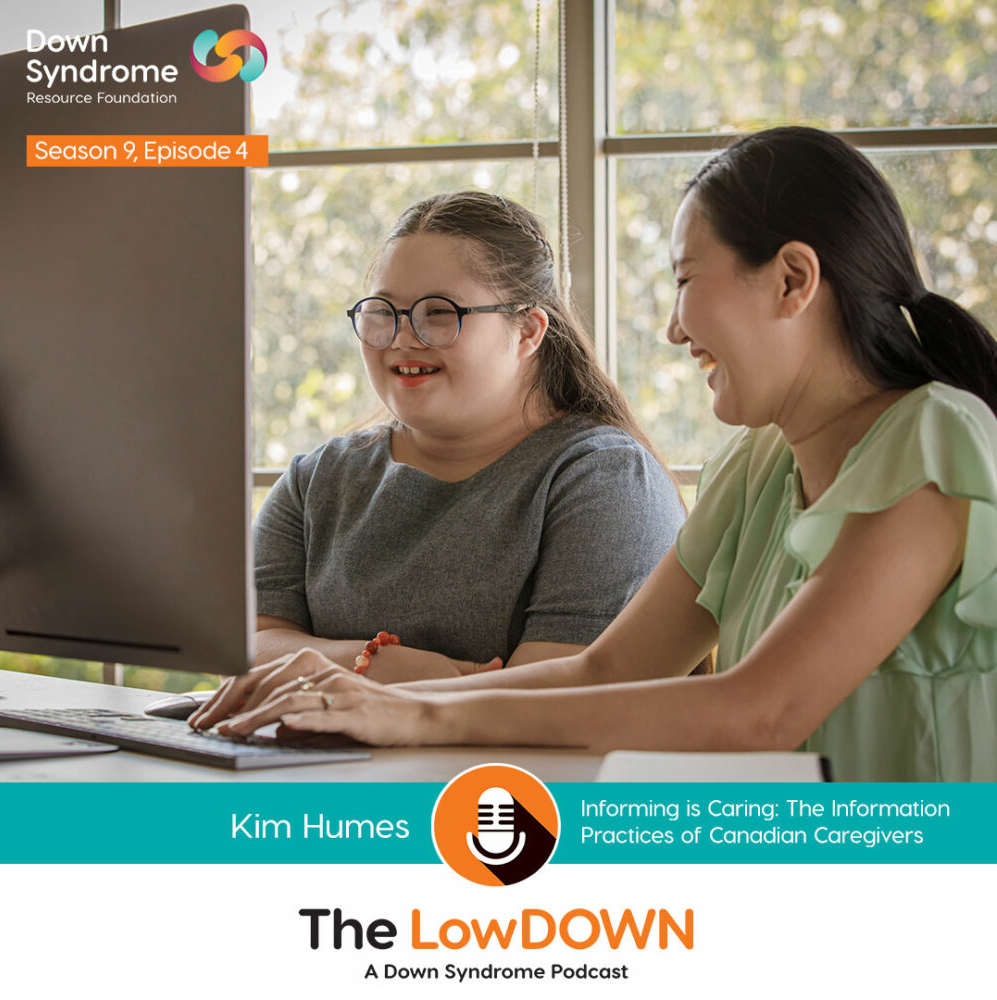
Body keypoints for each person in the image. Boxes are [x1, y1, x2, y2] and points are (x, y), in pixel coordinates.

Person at [200, 127, 997, 782]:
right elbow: (608, 671)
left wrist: (409, 708)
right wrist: (385, 700)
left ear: (792, 279)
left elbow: (758, 712)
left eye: (686, 281)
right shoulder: (755, 466)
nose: (675, 330)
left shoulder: (934, 441)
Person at [189, 192, 685, 728]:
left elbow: (552, 712)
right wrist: (383, 665)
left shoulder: (602, 478)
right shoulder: (318, 478)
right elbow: (244, 660)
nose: (402, 338)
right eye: (383, 313)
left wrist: (331, 669)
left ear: (528, 331)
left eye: (439, 314)